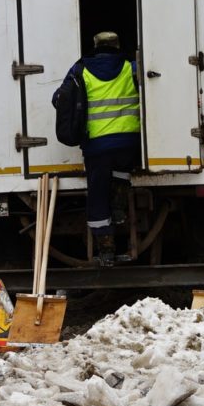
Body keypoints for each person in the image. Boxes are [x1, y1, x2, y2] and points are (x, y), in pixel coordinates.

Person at [68, 31, 141, 266]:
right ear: (118, 46)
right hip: (128, 141)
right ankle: (119, 208)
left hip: (96, 145)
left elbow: (60, 98)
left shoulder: (80, 70)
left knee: (97, 193)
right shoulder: (132, 68)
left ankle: (106, 250)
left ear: (95, 46)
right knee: (122, 169)